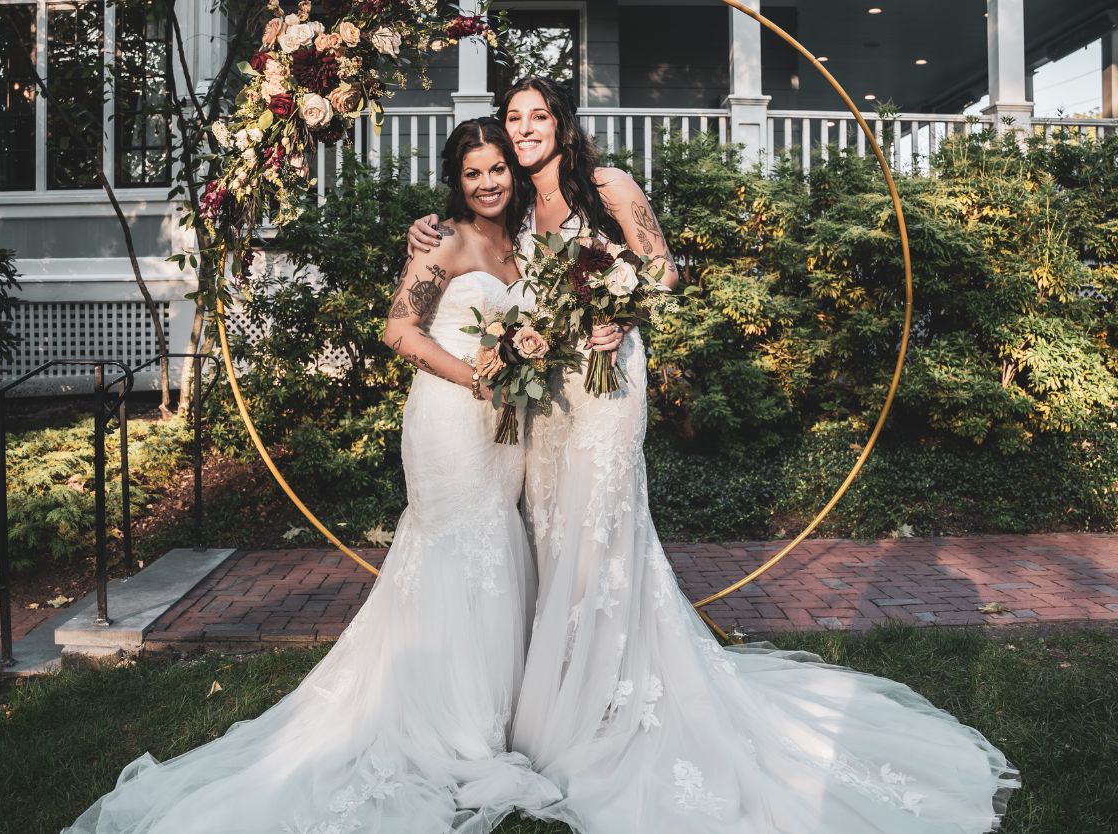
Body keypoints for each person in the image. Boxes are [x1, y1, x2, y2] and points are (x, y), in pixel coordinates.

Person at [409, 78, 1018, 833]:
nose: (525, 129)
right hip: (547, 400)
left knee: (601, 536)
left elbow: (664, 269)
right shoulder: (514, 211)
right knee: (551, 537)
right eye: (514, 118)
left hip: (606, 389)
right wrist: (424, 232)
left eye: (538, 116)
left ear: (563, 124)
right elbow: (474, 255)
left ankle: (609, 701)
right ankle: (560, 692)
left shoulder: (608, 185)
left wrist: (619, 315)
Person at [61, 117, 559, 834]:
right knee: (457, 554)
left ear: (513, 172)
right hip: (452, 422)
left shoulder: (520, 244)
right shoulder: (442, 241)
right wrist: (477, 381)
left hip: (502, 433)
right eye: (472, 172)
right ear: (455, 180)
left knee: (496, 549)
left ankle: (494, 711)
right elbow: (399, 332)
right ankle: (453, 726)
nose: (486, 183)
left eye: (496, 170)